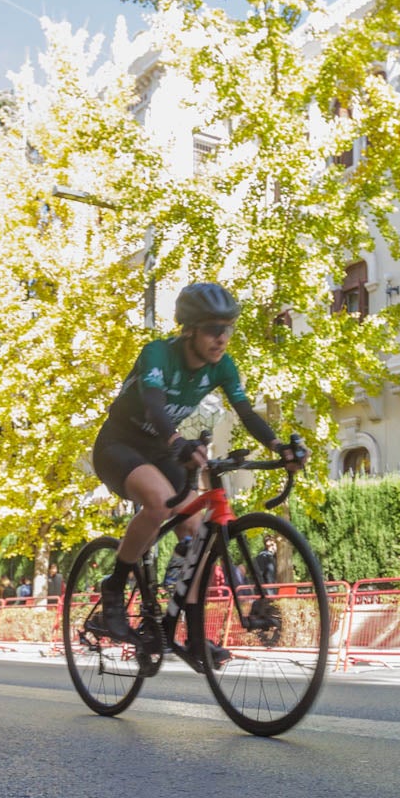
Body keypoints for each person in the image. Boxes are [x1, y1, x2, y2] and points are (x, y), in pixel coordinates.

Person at [88, 281, 303, 666]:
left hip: (160, 447)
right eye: (212, 329)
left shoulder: (222, 366)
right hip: (118, 444)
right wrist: (177, 442)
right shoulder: (158, 354)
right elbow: (153, 404)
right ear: (190, 329)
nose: (222, 338)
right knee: (157, 503)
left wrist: (279, 448)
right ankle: (114, 588)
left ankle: (191, 633)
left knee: (199, 527)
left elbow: (247, 412)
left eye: (227, 329)